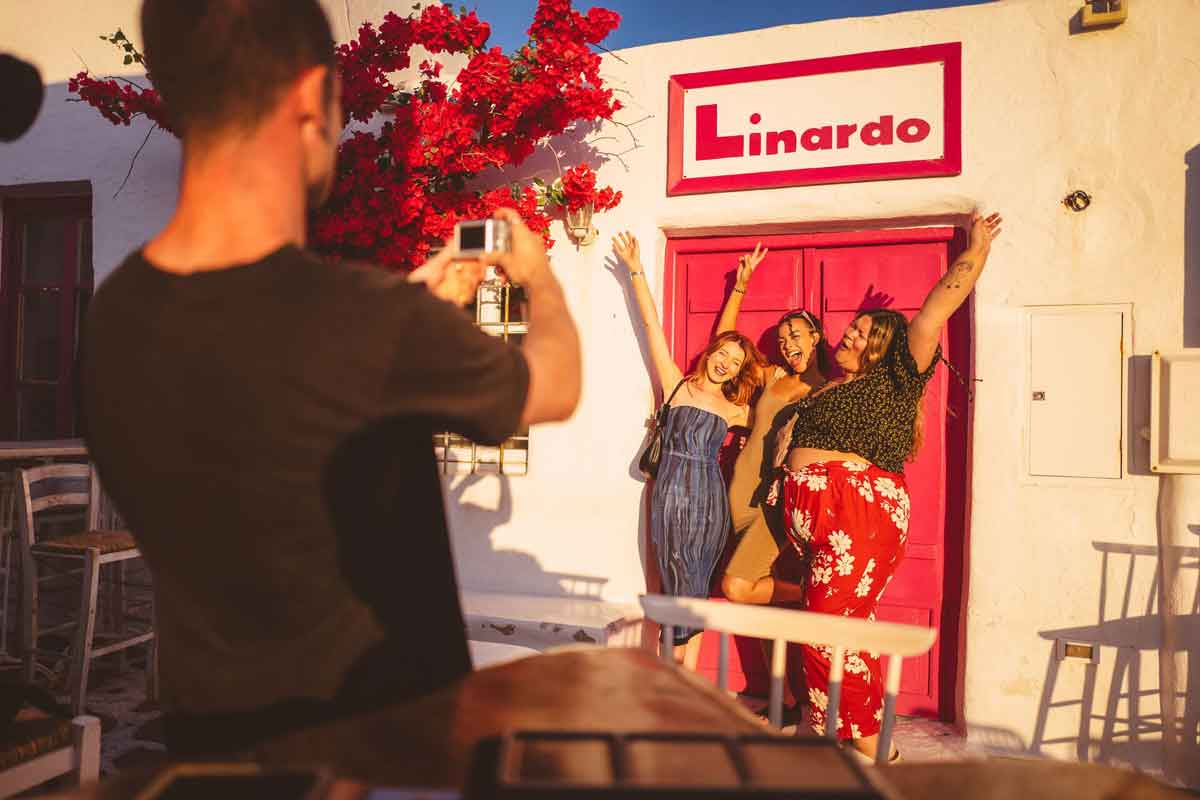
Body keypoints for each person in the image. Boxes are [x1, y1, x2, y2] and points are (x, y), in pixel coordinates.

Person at [81, 0, 580, 758]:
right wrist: (538, 279)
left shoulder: (111, 319)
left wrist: (403, 312)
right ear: (312, 98)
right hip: (380, 757)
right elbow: (554, 383)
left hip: (210, 752)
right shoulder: (368, 323)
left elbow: (270, 390)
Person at [776, 212, 1002, 760]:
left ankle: (871, 748)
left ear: (882, 349)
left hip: (857, 512)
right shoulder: (829, 389)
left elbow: (936, 309)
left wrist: (976, 249)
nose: (847, 334)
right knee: (843, 629)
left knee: (827, 631)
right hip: (823, 521)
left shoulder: (897, 377)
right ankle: (852, 740)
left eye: (860, 333)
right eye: (851, 328)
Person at [611, 231, 764, 669]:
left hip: (709, 503)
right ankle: (668, 673)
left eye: (735, 363)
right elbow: (652, 327)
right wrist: (635, 270)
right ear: (712, 352)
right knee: (673, 576)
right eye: (723, 354)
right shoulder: (676, 383)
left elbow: (774, 424)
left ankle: (685, 676)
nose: (725, 364)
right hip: (670, 495)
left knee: (696, 584)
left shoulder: (735, 409)